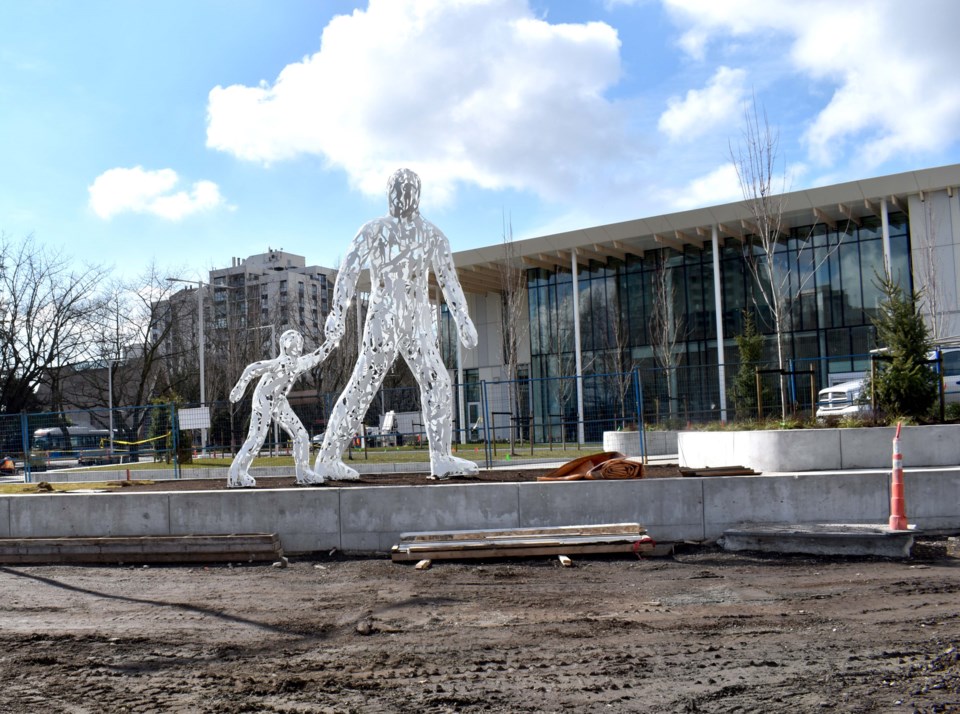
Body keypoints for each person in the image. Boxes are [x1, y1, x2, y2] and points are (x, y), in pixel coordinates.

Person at [310, 168, 478, 482]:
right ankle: (328, 458)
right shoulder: (374, 230)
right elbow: (348, 270)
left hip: (416, 320)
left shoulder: (432, 235)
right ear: (390, 193)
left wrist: (463, 318)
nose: (402, 194)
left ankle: (441, 458)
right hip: (383, 317)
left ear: (418, 193)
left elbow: (449, 281)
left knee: (437, 382)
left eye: (408, 188)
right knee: (362, 385)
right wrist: (337, 312)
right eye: (398, 188)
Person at [227, 329, 331, 488]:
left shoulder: (298, 364)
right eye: (294, 344)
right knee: (256, 437)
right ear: (285, 346)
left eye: (300, 344)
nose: (298, 347)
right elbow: (252, 369)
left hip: (279, 401)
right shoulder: (279, 363)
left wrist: (330, 342)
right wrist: (239, 388)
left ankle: (303, 473)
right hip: (263, 398)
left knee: (301, 434)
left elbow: (317, 356)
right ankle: (236, 474)